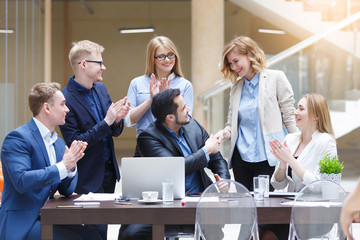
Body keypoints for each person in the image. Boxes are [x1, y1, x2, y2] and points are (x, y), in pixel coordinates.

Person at [119, 88, 230, 240]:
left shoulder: (193, 126)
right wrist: (205, 151)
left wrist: (223, 180)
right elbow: (174, 168)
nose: (188, 110)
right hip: (163, 207)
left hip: (198, 203)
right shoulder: (148, 137)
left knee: (212, 231)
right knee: (134, 234)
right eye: (183, 108)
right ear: (170, 117)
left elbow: (217, 159)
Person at [0, 82, 100, 240]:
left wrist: (71, 168)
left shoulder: (59, 144)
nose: (67, 109)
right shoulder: (17, 138)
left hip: (49, 216)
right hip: (23, 222)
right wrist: (63, 166)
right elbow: (21, 180)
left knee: (94, 236)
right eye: (63, 104)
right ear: (47, 108)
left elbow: (65, 190)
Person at [214, 36, 298, 191]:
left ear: (250, 54)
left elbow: (289, 118)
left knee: (268, 208)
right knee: (245, 208)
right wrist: (223, 134)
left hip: (270, 158)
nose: (233, 67)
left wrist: (299, 152)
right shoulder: (236, 88)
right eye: (230, 64)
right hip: (242, 161)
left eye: (236, 61)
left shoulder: (276, 78)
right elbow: (231, 125)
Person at [260, 93, 337, 240]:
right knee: (256, 230)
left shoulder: (327, 142)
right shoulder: (291, 139)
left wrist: (290, 159)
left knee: (268, 236)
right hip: (289, 212)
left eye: (301, 109)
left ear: (316, 116)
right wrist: (283, 164)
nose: (295, 112)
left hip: (316, 214)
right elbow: (277, 183)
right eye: (296, 108)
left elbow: (322, 185)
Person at [60, 40, 130, 195]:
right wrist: (107, 122)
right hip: (88, 177)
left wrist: (117, 120)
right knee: (95, 221)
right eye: (99, 63)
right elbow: (75, 143)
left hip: (109, 173)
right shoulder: (65, 99)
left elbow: (113, 132)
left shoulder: (101, 89)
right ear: (84, 64)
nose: (103, 68)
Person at [125, 36, 193, 156]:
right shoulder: (137, 83)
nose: (167, 60)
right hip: (145, 145)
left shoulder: (185, 85)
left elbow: (186, 121)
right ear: (152, 59)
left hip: (173, 146)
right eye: (161, 56)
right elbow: (128, 120)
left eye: (170, 54)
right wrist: (152, 100)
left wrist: (166, 101)